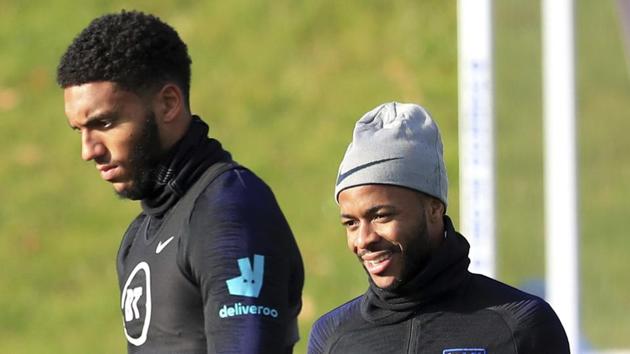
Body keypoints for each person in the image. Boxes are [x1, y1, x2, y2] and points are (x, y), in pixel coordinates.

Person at [57, 10, 303, 354]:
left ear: (168, 103)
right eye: (79, 131)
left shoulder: (229, 209)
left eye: (106, 123)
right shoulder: (139, 235)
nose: (89, 150)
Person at [308, 102, 569, 353]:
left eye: (381, 216)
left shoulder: (521, 326)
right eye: (351, 223)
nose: (363, 240)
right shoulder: (332, 337)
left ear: (434, 209)